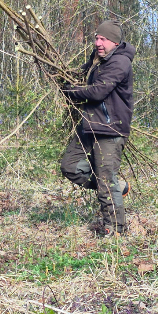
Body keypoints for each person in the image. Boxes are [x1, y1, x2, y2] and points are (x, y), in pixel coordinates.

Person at [60, 20, 134, 236]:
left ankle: (116, 230)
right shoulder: (97, 60)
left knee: (105, 181)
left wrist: (70, 91)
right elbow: (80, 78)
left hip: (110, 129)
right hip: (90, 125)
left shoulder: (120, 63)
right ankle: (116, 186)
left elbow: (97, 92)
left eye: (102, 39)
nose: (97, 42)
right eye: (96, 38)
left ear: (114, 41)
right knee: (70, 167)